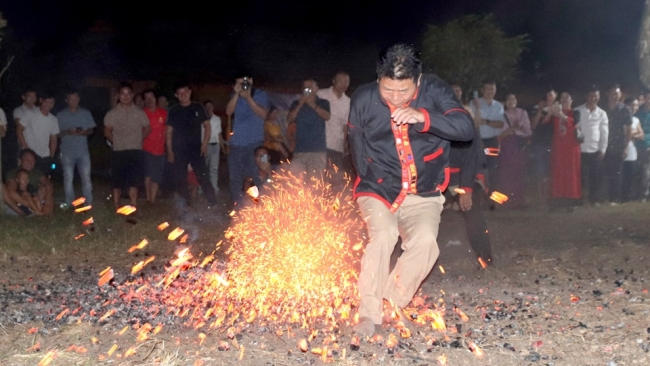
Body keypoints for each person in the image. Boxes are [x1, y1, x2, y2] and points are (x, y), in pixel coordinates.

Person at [348, 44, 474, 336]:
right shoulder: (364, 98)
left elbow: (465, 128)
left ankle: (390, 301)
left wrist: (424, 117)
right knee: (384, 235)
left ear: (417, 82)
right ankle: (368, 313)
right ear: (378, 79)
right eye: (387, 90)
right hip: (378, 187)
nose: (394, 98)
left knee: (427, 242)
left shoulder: (435, 91)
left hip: (425, 191)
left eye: (402, 92)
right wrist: (367, 176)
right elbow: (354, 139)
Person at [165, 82, 217, 208]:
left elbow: (207, 126)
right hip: (179, 150)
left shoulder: (198, 107)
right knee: (180, 178)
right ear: (176, 95)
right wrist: (170, 151)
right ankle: (185, 204)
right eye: (180, 93)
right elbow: (169, 132)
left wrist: (204, 144)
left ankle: (213, 202)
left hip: (196, 149)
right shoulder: (173, 110)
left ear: (190, 92)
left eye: (186, 91)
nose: (183, 95)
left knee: (203, 176)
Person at [104, 82, 151, 209]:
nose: (126, 96)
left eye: (128, 93)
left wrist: (139, 139)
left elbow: (147, 128)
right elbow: (107, 132)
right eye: (123, 94)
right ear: (118, 96)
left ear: (132, 95)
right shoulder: (112, 113)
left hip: (135, 150)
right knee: (117, 180)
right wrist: (116, 141)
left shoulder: (139, 112)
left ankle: (133, 205)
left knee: (134, 179)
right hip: (119, 150)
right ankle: (116, 204)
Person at [446, 136, 492, 264]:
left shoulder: (465, 124)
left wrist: (475, 183)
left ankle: (485, 259)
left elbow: (476, 158)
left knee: (474, 216)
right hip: (439, 180)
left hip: (467, 179)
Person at [225, 76, 269, 204]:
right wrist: (237, 93)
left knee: (259, 176)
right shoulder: (235, 95)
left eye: (246, 81)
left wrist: (248, 97)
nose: (244, 84)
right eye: (241, 82)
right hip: (236, 145)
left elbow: (263, 114)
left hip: (255, 144)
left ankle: (263, 207)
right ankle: (238, 209)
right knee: (235, 179)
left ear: (252, 81)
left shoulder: (260, 94)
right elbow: (228, 112)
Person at [57, 90, 96, 207]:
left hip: (83, 151)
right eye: (70, 99)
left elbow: (91, 130)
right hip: (67, 151)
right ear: (67, 100)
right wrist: (68, 131)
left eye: (75, 98)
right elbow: (56, 133)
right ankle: (70, 202)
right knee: (68, 178)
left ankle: (88, 201)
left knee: (86, 178)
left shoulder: (86, 113)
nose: (73, 101)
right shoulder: (61, 115)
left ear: (79, 99)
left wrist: (85, 132)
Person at [287, 79, 331, 177]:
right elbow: (289, 118)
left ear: (316, 89)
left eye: (310, 87)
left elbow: (327, 116)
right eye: (305, 87)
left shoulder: (323, 103)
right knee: (295, 182)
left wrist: (312, 105)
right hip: (299, 150)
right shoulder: (296, 103)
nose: (307, 89)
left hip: (318, 151)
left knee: (315, 183)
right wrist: (299, 105)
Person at [497, 93, 532, 208]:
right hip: (508, 145)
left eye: (513, 98)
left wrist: (519, 128)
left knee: (519, 172)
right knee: (507, 172)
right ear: (505, 102)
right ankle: (508, 198)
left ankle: (519, 198)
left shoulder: (522, 113)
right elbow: (499, 136)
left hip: (519, 145)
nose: (511, 101)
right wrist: (512, 128)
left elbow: (528, 132)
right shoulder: (501, 115)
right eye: (509, 99)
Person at [575, 86, 609, 205]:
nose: (593, 98)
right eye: (591, 95)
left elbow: (604, 132)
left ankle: (594, 199)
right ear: (586, 96)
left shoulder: (602, 113)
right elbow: (575, 128)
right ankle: (578, 199)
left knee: (596, 177)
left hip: (595, 150)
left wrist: (603, 149)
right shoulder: (577, 110)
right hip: (579, 149)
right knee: (580, 176)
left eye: (596, 96)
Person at [549, 92, 582, 209]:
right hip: (559, 146)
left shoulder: (575, 112)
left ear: (571, 100)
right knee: (559, 171)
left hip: (571, 147)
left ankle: (572, 199)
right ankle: (558, 198)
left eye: (567, 98)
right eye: (562, 98)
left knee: (571, 172)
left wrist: (561, 114)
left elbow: (573, 122)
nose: (564, 100)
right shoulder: (555, 112)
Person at [470, 81, 505, 191]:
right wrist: (480, 111)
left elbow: (500, 124)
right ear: (482, 90)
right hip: (478, 141)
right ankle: (478, 195)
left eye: (492, 89)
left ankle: (491, 195)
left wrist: (485, 121)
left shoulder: (498, 105)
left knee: (493, 167)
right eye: (488, 88)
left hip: (492, 141)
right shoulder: (474, 103)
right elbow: (474, 122)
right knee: (478, 168)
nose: (490, 91)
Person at [16, 92, 59, 175]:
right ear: (41, 101)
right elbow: (19, 129)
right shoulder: (30, 113)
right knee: (28, 179)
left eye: (51, 103)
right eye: (46, 102)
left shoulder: (53, 119)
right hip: (31, 153)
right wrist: (25, 146)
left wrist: (51, 156)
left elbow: (54, 139)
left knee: (43, 179)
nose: (48, 105)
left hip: (45, 155)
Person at [602, 85, 632, 205]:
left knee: (616, 173)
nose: (615, 96)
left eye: (617, 94)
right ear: (608, 94)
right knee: (603, 172)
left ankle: (614, 198)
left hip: (618, 145)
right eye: (613, 93)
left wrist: (626, 147)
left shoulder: (625, 109)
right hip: (603, 145)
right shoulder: (603, 107)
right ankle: (602, 197)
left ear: (620, 95)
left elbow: (629, 129)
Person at [316, 72, 351, 172]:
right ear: (334, 81)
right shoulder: (321, 94)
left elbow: (345, 126)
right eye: (340, 81)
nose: (343, 84)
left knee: (334, 178)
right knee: (317, 178)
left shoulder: (348, 102)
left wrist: (344, 144)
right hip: (319, 144)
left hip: (336, 145)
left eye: (346, 81)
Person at [4, 149, 54, 216]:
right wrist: (30, 204)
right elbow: (11, 191)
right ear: (20, 160)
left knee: (46, 189)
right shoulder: (14, 172)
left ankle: (43, 212)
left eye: (32, 160)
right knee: (3, 189)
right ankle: (23, 212)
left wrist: (47, 202)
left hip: (35, 199)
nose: (29, 162)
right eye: (27, 160)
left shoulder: (36, 173)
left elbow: (48, 184)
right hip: (19, 202)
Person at [530, 89, 558, 202]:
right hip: (540, 143)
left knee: (551, 171)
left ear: (556, 96)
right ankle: (541, 195)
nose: (549, 97)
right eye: (547, 94)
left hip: (554, 144)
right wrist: (541, 109)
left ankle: (551, 194)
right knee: (540, 171)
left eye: (551, 94)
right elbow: (534, 125)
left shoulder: (558, 108)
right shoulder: (537, 108)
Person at [142, 89, 167, 204]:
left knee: (157, 176)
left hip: (160, 150)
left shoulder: (163, 113)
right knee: (148, 175)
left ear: (155, 98)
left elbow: (167, 130)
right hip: (146, 149)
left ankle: (152, 199)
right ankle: (148, 199)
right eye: (147, 98)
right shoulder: (142, 113)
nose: (149, 100)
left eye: (151, 97)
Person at [623, 97, 644, 202]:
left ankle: (628, 197)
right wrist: (634, 132)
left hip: (632, 151)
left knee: (631, 175)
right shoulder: (621, 118)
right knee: (622, 175)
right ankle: (620, 197)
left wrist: (632, 133)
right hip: (622, 150)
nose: (634, 107)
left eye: (636, 105)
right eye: (632, 105)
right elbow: (623, 134)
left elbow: (642, 134)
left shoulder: (636, 120)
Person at [203, 100, 223, 193]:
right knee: (203, 168)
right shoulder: (201, 119)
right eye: (207, 106)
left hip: (215, 145)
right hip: (205, 145)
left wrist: (223, 147)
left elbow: (219, 134)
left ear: (213, 107)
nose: (208, 108)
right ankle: (202, 188)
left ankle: (214, 187)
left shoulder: (217, 119)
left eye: (210, 106)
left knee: (214, 168)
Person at [634, 90, 650, 201]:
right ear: (644, 98)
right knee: (644, 172)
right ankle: (643, 195)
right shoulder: (638, 112)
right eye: (647, 98)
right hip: (639, 146)